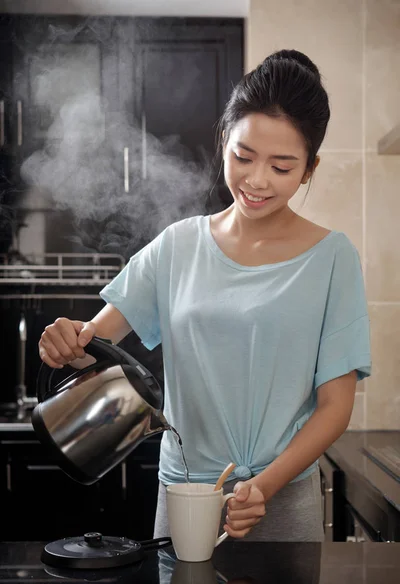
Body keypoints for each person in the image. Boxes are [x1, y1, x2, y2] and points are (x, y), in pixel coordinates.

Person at [38, 49, 371, 542]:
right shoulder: (177, 245)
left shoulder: (333, 258)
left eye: (281, 167)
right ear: (223, 142)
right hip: (185, 494)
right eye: (243, 157)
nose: (256, 181)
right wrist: (63, 340)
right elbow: (91, 341)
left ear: (308, 168)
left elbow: (335, 407)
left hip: (282, 497)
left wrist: (264, 486)